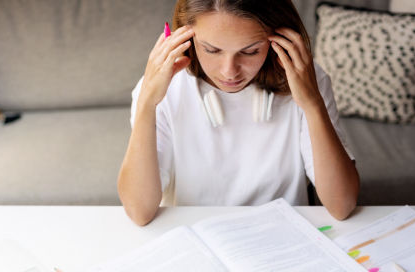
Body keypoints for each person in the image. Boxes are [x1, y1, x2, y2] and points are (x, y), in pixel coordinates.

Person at [118, 0, 360, 226]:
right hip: (194, 235)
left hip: (281, 234)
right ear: (186, 38)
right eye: (211, 50)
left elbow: (342, 205)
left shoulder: (306, 79)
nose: (229, 71)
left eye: (250, 51)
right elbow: (140, 213)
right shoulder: (166, 89)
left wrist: (312, 104)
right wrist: (146, 102)